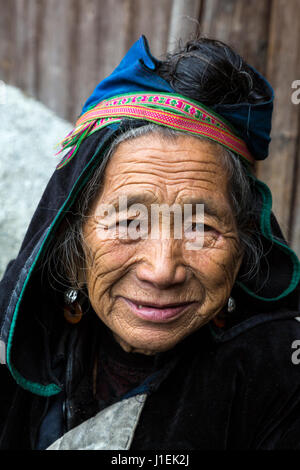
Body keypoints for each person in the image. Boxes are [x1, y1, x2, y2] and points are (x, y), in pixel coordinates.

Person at [0, 34, 300, 451]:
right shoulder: (17, 339)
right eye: (129, 222)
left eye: (200, 227)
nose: (161, 271)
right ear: (73, 247)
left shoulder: (282, 376)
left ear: (243, 244)